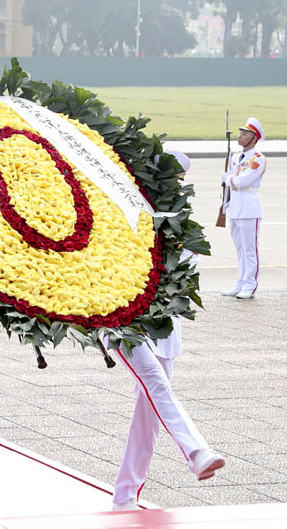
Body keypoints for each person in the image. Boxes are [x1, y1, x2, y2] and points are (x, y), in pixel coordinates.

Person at [111, 151, 224, 510]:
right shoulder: (125, 214)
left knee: (149, 418)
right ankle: (197, 452)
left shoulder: (185, 228)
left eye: (174, 181)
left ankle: (125, 495)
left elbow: (179, 277)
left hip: (165, 329)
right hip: (125, 323)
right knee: (156, 384)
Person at [221, 117, 266, 299]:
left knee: (250, 249)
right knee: (239, 249)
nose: (240, 137)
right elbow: (233, 183)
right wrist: (224, 207)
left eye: (245, 134)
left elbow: (242, 181)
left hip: (249, 208)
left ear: (253, 139)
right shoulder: (235, 157)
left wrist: (227, 179)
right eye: (241, 133)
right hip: (236, 208)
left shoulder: (258, 159)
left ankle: (250, 285)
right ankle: (240, 282)